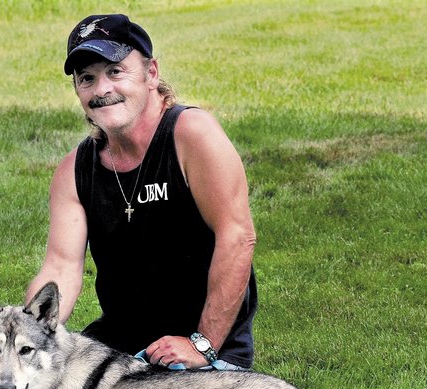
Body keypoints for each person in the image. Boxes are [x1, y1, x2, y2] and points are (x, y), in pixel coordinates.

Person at [27, 14, 258, 370]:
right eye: (87, 78)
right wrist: (27, 333)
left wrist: (204, 344)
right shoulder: (74, 170)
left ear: (151, 73)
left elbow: (237, 237)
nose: (102, 90)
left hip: (204, 345)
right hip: (123, 340)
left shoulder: (191, 135)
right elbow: (61, 266)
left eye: (115, 72)